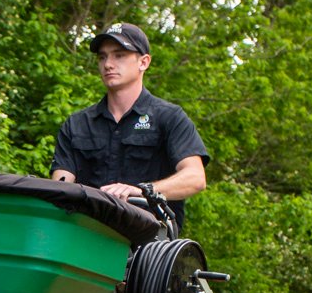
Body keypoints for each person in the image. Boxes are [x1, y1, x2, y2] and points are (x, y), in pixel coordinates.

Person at [50, 22, 208, 232]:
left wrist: (141, 192)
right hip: (87, 237)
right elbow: (61, 188)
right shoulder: (77, 124)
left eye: (119, 55)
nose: (108, 64)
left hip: (149, 243)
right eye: (102, 57)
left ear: (144, 62)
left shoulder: (169, 117)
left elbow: (195, 178)